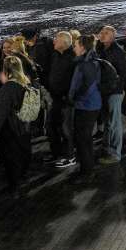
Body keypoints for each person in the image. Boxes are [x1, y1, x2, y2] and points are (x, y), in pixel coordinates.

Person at [0, 56, 32, 197]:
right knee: (22, 153)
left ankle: (14, 187)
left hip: (10, 128)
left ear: (6, 70)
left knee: (11, 158)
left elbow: (1, 115)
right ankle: (22, 178)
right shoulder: (26, 83)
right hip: (24, 125)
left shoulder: (6, 90)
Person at [68, 34, 101, 181]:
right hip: (92, 103)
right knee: (86, 138)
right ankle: (88, 168)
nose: (73, 48)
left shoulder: (84, 64)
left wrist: (72, 97)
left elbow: (84, 86)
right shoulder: (93, 60)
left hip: (86, 105)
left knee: (82, 139)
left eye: (75, 45)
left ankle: (86, 172)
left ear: (82, 47)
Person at [95, 26, 126, 165]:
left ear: (113, 37)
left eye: (106, 33)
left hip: (113, 92)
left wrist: (115, 86)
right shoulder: (100, 49)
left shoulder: (117, 51)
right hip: (104, 90)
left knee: (114, 123)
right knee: (108, 122)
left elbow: (124, 72)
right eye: (101, 32)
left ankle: (115, 153)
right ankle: (107, 148)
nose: (102, 35)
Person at [46, 31, 77, 169]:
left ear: (64, 43)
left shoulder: (72, 58)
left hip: (65, 100)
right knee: (52, 126)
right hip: (55, 98)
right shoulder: (55, 55)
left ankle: (69, 156)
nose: (53, 42)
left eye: (56, 40)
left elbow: (74, 81)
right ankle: (57, 153)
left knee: (66, 129)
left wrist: (67, 96)